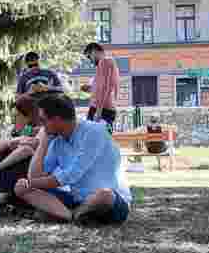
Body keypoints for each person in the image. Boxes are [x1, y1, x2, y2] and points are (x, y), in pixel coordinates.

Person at [14, 94, 131, 224]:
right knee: (21, 189)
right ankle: (72, 215)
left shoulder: (94, 131)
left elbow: (71, 175)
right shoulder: (57, 141)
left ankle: (73, 213)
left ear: (57, 120)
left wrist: (31, 183)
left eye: (43, 120)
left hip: (109, 200)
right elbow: (35, 176)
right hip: (77, 199)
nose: (41, 126)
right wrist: (43, 143)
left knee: (105, 195)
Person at [0, 95, 41, 206]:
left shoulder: (39, 131)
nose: (14, 118)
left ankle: (4, 194)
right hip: (6, 176)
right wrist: (10, 142)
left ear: (28, 117)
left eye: (17, 115)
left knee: (16, 155)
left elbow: (26, 150)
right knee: (3, 151)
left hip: (25, 180)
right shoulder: (14, 130)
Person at [80, 43, 120, 131]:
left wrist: (98, 112)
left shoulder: (105, 61)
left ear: (94, 51)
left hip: (101, 110)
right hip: (105, 109)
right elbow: (105, 86)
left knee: (92, 136)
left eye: (89, 57)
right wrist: (91, 88)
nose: (90, 61)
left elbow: (105, 87)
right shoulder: (107, 63)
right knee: (99, 137)